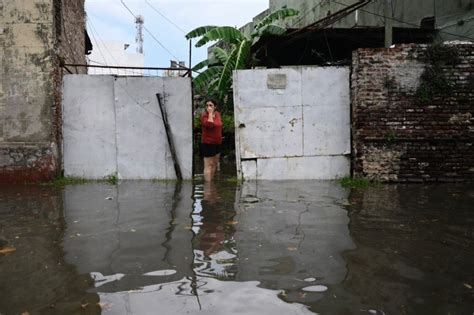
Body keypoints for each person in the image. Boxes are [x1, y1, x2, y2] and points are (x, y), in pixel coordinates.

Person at [200, 99, 222, 181]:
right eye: (207, 105)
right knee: (208, 164)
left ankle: (211, 182)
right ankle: (208, 186)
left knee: (214, 163)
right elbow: (210, 124)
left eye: (211, 105)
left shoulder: (217, 114)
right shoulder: (204, 116)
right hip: (207, 143)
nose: (208, 107)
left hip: (217, 142)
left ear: (215, 107)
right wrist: (209, 113)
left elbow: (219, 125)